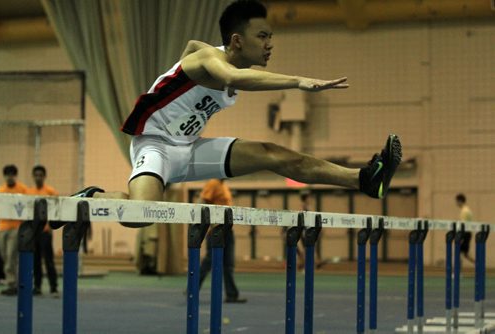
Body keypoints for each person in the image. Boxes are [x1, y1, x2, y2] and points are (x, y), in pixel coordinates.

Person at [64, 0, 402, 229]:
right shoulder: (208, 60)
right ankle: (91, 197)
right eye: (263, 36)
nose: (270, 44)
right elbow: (231, 76)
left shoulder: (217, 59)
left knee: (274, 153)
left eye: (271, 36)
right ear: (237, 41)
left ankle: (365, 179)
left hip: (188, 147)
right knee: (140, 216)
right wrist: (298, 81)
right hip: (154, 145)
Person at [198, 179, 246, 303]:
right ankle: (192, 288)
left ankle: (231, 294)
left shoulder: (224, 186)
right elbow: (203, 201)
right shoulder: (213, 183)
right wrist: (209, 223)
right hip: (216, 229)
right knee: (209, 261)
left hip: (228, 229)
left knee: (228, 263)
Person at [27, 165, 59, 297]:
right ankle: (37, 286)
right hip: (34, 232)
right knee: (36, 261)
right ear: (33, 177)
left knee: (49, 260)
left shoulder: (51, 192)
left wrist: (50, 227)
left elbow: (56, 211)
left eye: (41, 175)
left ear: (44, 177)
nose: (38, 177)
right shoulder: (29, 193)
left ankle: (53, 287)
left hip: (45, 232)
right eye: (36, 175)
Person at [0, 164, 28, 295]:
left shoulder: (22, 189)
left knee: (11, 257)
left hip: (15, 228)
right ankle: (12, 281)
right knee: (5, 257)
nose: (9, 177)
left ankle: (13, 283)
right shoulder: (0, 190)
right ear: (4, 176)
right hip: (2, 228)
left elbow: (27, 208)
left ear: (15, 176)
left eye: (12, 174)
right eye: (7, 174)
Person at [455, 193, 475, 264]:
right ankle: (478, 263)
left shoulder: (464, 211)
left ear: (460, 201)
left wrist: (459, 233)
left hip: (465, 233)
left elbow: (463, 224)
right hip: (467, 233)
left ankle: (457, 271)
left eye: (456, 202)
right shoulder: (467, 209)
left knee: (458, 252)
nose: (456, 203)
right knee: (465, 254)